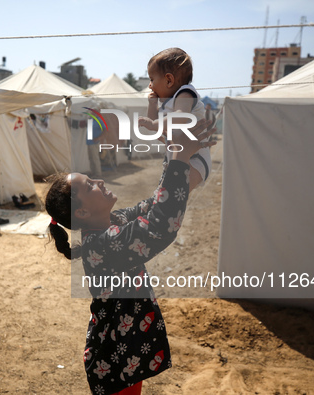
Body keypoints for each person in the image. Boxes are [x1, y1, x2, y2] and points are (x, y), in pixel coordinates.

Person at [45, 119, 216, 394]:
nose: (99, 181)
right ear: (83, 213)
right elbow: (161, 224)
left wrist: (174, 156)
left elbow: (153, 204)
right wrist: (179, 160)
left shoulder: (112, 221)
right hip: (114, 360)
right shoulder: (102, 243)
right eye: (90, 186)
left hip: (124, 353)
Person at [138, 47, 212, 191]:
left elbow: (181, 117)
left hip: (196, 159)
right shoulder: (168, 103)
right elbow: (157, 131)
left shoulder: (185, 93)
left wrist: (154, 124)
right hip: (177, 158)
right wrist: (152, 105)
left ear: (169, 80)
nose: (150, 85)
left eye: (152, 79)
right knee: (164, 198)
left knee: (170, 197)